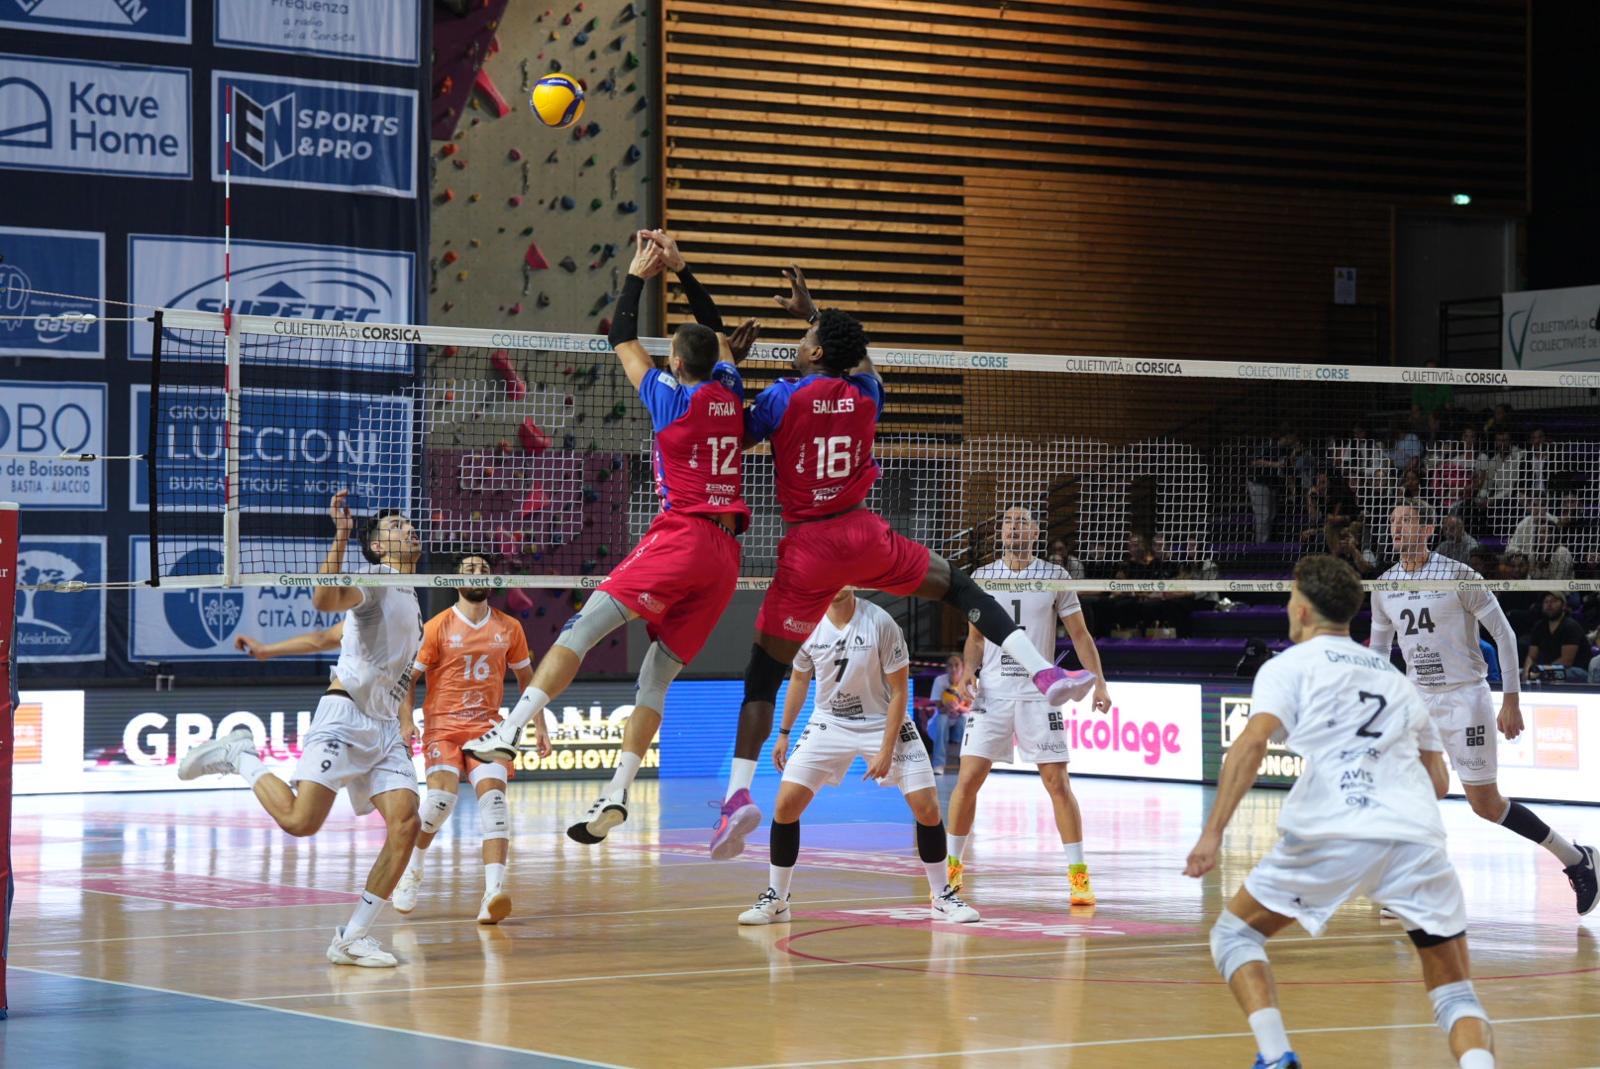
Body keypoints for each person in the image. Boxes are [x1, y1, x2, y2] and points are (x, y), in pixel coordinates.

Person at [710, 265, 1096, 859]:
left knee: (763, 671)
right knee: (962, 587)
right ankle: (1042, 669)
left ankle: (738, 795)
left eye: (806, 342)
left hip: (809, 546)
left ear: (815, 353)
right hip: (865, 533)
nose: (798, 345)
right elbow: (861, 361)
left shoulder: (783, 398)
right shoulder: (866, 395)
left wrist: (726, 367)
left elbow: (728, 433)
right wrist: (816, 315)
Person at [466, 231, 759, 846]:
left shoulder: (669, 400)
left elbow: (620, 337)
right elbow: (716, 330)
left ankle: (511, 728)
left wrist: (637, 273)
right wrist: (681, 270)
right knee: (655, 679)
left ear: (677, 363)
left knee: (582, 626)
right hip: (727, 556)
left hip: (683, 535)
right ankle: (617, 792)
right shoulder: (731, 394)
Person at [1185, 555, 1494, 1069]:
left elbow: (1250, 746)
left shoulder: (1287, 667)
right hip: (1415, 834)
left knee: (1234, 934)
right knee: (1455, 993)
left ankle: (1276, 1055)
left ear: (1302, 610)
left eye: (1290, 599)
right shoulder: (1396, 680)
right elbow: (1439, 782)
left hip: (1335, 826)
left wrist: (1212, 834)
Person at [178, 491, 424, 967]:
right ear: (376, 547)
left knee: (406, 823)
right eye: (394, 526)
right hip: (346, 715)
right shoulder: (372, 580)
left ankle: (352, 937)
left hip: (384, 728)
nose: (407, 528)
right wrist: (343, 536)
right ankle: (239, 755)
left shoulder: (413, 596)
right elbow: (324, 601)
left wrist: (268, 650)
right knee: (299, 822)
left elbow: (324, 637)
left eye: (408, 523)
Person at [1371, 504, 1595, 914]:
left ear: (1428, 528)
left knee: (1486, 805)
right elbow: (1381, 648)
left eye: (1407, 521)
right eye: (1393, 521)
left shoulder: (1459, 576)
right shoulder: (1384, 584)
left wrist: (1511, 698)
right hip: (1418, 697)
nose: (1398, 527)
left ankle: (1577, 860)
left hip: (1465, 696)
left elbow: (1505, 635)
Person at [735, 588, 978, 925]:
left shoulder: (880, 622)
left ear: (855, 580)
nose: (838, 583)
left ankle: (942, 896)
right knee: (785, 805)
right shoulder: (808, 624)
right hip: (828, 722)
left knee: (927, 807)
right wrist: (784, 732)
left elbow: (899, 692)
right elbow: (800, 680)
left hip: (882, 720)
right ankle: (778, 898)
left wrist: (886, 747)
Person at [945, 506, 1111, 906]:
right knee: (968, 780)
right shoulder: (982, 577)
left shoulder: (1055, 576)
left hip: (1041, 694)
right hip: (993, 693)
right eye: (1007, 521)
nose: (1013, 526)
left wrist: (1101, 683)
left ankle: (1078, 877)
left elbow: (1081, 635)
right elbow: (975, 637)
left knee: (1057, 783)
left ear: (1036, 532)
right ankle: (952, 869)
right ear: (1000, 532)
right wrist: (968, 668)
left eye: (1022, 520)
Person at [393, 555, 540, 924]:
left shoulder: (510, 628)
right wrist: (407, 719)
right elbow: (409, 679)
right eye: (469, 569)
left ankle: (493, 893)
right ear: (453, 581)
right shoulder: (437, 627)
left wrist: (540, 725)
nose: (478, 574)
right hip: (443, 726)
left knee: (494, 806)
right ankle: (413, 868)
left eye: (484, 570)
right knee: (440, 800)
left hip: (489, 729)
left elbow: (529, 682)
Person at [1522, 593, 1591, 683]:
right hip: (1547, 669)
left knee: (1549, 676)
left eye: (1554, 601)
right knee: (1519, 674)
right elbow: (1531, 656)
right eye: (1546, 602)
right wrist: (1527, 672)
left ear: (1563, 606)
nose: (1549, 604)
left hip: (1576, 670)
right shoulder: (1539, 627)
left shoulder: (1570, 626)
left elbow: (1567, 660)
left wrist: (1542, 671)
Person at [925, 653, 966, 773]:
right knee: (942, 719)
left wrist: (958, 708)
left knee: (964, 719)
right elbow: (939, 708)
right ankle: (938, 764)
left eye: (957, 665)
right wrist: (949, 708)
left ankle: (965, 764)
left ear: (963, 667)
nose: (953, 668)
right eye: (950, 665)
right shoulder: (939, 681)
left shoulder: (968, 681)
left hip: (959, 724)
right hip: (940, 725)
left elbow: (972, 708)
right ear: (946, 668)